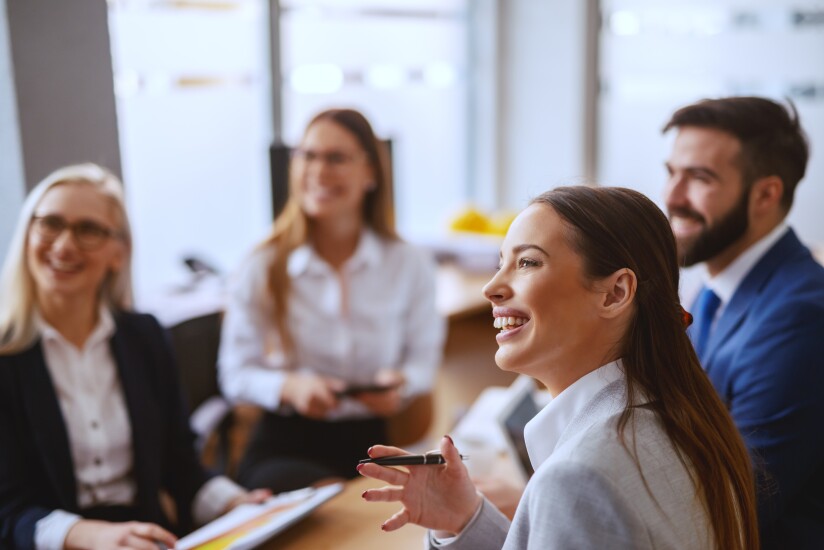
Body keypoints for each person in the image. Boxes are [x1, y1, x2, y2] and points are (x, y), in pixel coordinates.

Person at [360, 186, 759, 549]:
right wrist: (464, 521)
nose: (492, 287)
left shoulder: (577, 478)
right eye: (502, 262)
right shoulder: (680, 420)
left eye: (528, 263)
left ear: (615, 293)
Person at [0, 164, 269, 550]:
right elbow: (8, 511)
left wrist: (236, 503)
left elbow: (180, 465)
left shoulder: (144, 338)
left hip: (148, 540)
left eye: (88, 230)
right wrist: (90, 536)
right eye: (50, 224)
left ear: (118, 252)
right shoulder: (6, 357)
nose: (63, 245)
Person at [218, 108, 445, 493]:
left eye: (336, 158)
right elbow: (234, 374)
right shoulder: (263, 264)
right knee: (330, 509)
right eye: (307, 155)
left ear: (371, 172)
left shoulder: (410, 263)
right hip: (284, 446)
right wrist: (289, 387)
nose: (318, 170)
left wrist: (401, 384)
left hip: (372, 443)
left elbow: (424, 361)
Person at [663, 96, 824, 549]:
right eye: (671, 172)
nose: (672, 197)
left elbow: (732, 499)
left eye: (698, 177)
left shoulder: (801, 315)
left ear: (766, 194)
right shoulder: (715, 292)